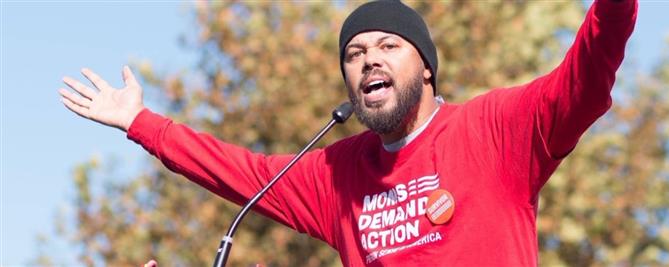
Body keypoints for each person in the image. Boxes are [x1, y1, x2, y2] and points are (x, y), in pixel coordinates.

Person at [59, 0, 637, 266]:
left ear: (426, 68)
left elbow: (587, 74)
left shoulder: (494, 131)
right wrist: (141, 123)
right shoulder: (337, 172)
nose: (368, 60)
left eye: (388, 46)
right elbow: (244, 175)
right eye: (354, 54)